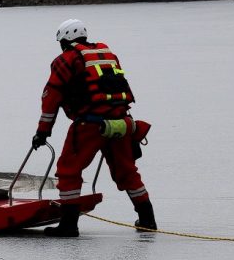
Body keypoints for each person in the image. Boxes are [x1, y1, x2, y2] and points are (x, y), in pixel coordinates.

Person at [32, 19, 156, 236]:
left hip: (89, 125)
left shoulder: (65, 60)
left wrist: (43, 132)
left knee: (69, 170)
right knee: (127, 172)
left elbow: (51, 98)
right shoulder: (108, 56)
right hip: (122, 123)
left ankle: (69, 225)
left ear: (64, 40)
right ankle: (147, 219)